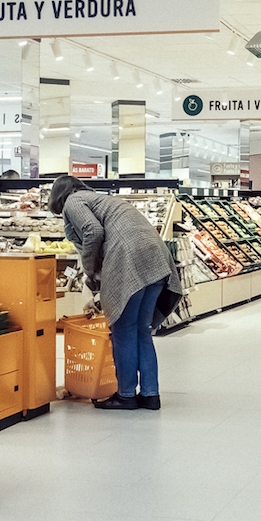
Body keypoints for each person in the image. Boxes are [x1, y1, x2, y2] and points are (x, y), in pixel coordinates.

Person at [48, 175, 182, 410]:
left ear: (58, 195)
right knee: (142, 330)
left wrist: (89, 273)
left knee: (123, 330)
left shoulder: (73, 201)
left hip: (130, 260)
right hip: (157, 259)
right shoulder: (102, 199)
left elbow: (92, 230)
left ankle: (126, 394)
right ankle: (151, 394)